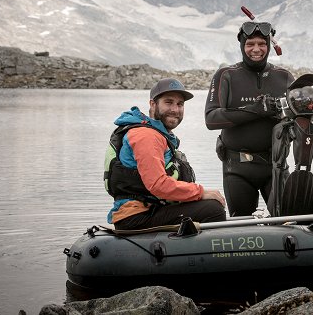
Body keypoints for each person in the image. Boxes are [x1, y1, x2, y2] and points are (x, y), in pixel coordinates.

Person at [105, 78, 226, 230]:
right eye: (168, 102)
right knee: (213, 210)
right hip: (137, 216)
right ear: (152, 104)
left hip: (150, 210)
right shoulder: (146, 136)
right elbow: (158, 185)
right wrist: (201, 192)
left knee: (207, 206)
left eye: (180, 104)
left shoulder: (156, 134)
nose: (175, 109)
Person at [205, 20, 295, 217]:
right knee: (241, 224)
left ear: (269, 45)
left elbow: (300, 120)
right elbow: (211, 119)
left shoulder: (284, 77)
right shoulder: (226, 75)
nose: (256, 49)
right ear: (241, 46)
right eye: (250, 44)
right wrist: (255, 110)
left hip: (276, 165)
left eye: (262, 44)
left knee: (290, 219)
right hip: (237, 167)